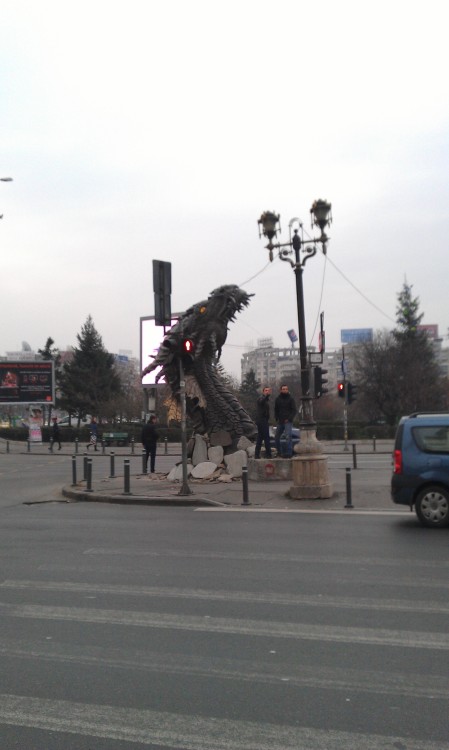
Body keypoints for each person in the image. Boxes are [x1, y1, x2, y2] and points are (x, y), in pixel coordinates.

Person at [274, 384, 297, 458]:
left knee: (288, 437)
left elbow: (294, 410)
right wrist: (276, 417)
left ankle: (288, 453)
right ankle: (279, 452)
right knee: (277, 437)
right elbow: (276, 409)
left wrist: (289, 419)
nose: (285, 390)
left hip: (288, 421)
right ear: (281, 390)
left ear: (288, 390)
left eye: (286, 389)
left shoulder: (291, 399)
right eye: (283, 389)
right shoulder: (278, 399)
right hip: (280, 421)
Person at [255, 386, 272, 459]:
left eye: (268, 390)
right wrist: (266, 396)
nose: (267, 391)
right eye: (266, 390)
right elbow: (261, 402)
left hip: (263, 420)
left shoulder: (266, 400)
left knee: (260, 437)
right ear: (263, 392)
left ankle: (256, 454)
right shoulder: (261, 398)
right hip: (261, 420)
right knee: (266, 437)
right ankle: (268, 454)